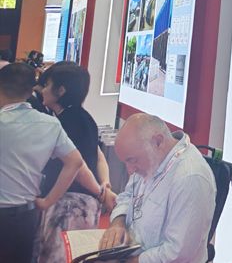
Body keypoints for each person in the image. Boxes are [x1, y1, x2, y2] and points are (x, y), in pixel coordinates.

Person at [100, 113, 216, 262]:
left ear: (158, 142)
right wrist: (118, 222)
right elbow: (128, 195)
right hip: (130, 251)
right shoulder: (150, 159)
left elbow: (178, 253)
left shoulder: (190, 178)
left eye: (132, 160)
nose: (130, 170)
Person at [0, 62, 85, 263]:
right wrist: (48, 201)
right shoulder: (50, 124)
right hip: (25, 217)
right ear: (31, 90)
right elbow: (75, 161)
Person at [35, 63, 117, 263]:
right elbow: (98, 155)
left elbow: (77, 165)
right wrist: (105, 185)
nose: (43, 90)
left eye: (47, 85)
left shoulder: (66, 122)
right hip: (83, 204)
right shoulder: (84, 118)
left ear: (61, 90)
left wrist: (100, 192)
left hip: (69, 206)